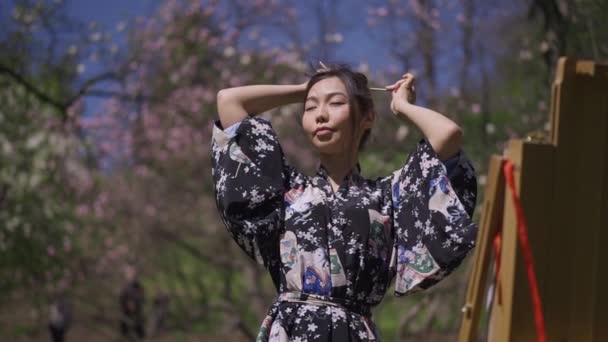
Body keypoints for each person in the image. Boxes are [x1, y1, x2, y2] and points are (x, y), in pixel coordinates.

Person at [211, 63, 477, 341]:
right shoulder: (286, 189)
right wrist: (306, 89)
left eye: (336, 102)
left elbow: (448, 135)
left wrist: (402, 106)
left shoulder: (390, 196)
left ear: (367, 117)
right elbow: (229, 101)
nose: (321, 115)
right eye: (310, 107)